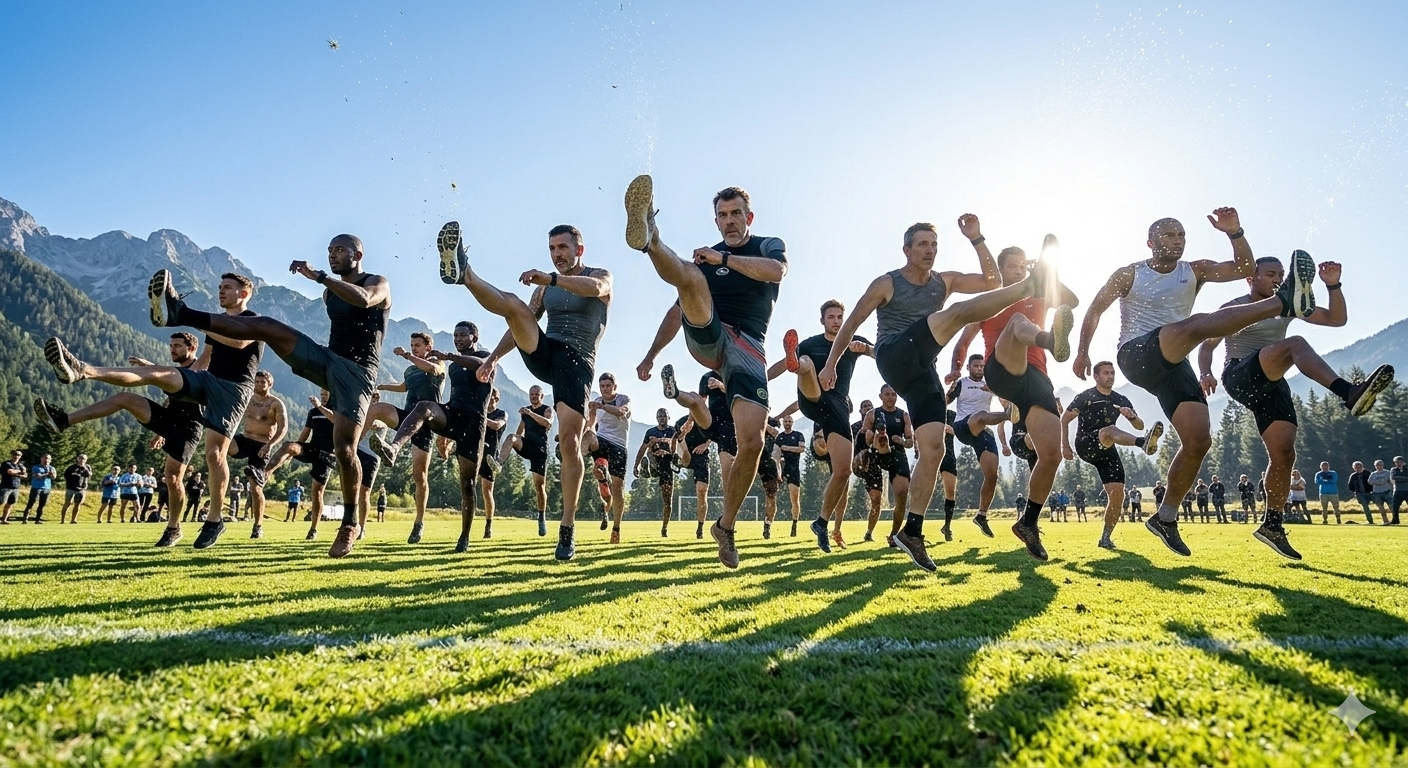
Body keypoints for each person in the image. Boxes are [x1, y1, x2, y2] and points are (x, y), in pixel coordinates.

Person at [1074, 208, 1317, 557]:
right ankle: (1283, 302)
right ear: (1151, 242)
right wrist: (1083, 352)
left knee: (1199, 439)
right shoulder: (1129, 274)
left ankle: (1166, 517)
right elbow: (1095, 309)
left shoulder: (1195, 270)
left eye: (1181, 235)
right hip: (1137, 353)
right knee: (1194, 326)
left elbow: (1244, 270)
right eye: (1169, 235)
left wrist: (1235, 232)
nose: (1177, 240)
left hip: (1175, 362)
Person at [824, 217, 1062, 571]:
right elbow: (853, 321)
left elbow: (991, 282)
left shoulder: (944, 281)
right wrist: (831, 365)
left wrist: (977, 239)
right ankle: (1031, 285)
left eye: (933, 245)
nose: (929, 250)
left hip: (922, 374)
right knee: (958, 313)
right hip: (894, 355)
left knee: (933, 448)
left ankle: (913, 532)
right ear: (906, 250)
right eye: (921, 245)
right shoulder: (887, 283)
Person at [151, 236, 390, 558]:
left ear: (358, 254)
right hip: (327, 360)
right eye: (329, 250)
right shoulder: (329, 293)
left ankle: (349, 524)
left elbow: (363, 300)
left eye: (339, 250)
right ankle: (180, 313)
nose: (333, 255)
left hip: (358, 374)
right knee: (265, 325)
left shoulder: (377, 283)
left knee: (345, 446)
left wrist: (319, 276)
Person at [626, 178, 786, 570]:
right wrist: (651, 354)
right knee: (691, 280)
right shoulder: (706, 259)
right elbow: (678, 307)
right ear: (715, 221)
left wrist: (726, 261)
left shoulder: (766, 246)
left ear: (749, 217)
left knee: (752, 442)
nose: (729, 221)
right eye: (722, 216)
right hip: (710, 337)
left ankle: (725, 527)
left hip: (749, 347)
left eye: (735, 214)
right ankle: (650, 238)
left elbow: (776, 272)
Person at [49, 272, 264, 547]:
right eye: (220, 287)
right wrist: (179, 382)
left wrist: (189, 318)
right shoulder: (215, 324)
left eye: (227, 288)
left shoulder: (252, 321)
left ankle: (215, 519)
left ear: (243, 294)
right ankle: (83, 370)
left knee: (214, 453)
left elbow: (238, 342)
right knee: (156, 373)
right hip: (207, 381)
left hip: (233, 389)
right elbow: (204, 361)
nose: (221, 291)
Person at [440, 221, 610, 561]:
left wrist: (552, 278)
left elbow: (594, 288)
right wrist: (490, 358)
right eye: (552, 249)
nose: (557, 255)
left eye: (563, 248)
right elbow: (521, 324)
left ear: (580, 249)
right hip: (545, 351)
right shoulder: (545, 288)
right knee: (516, 306)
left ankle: (567, 528)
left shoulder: (598, 275)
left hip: (576, 364)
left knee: (569, 442)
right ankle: (465, 273)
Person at [1199, 257, 1389, 557]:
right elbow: (1207, 344)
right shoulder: (1233, 307)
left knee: (1285, 454)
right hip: (1239, 374)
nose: (1277, 279)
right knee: (1295, 344)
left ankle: (1272, 525)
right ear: (1252, 278)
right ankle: (1347, 392)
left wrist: (1333, 285)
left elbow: (1337, 319)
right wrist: (1205, 372)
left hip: (1272, 384)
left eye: (1281, 275)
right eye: (1269, 274)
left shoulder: (1289, 304)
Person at [948, 233, 1080, 560]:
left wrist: (1047, 274)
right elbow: (964, 342)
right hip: (1000, 369)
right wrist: (955, 368)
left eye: (1023, 266)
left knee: (1050, 455)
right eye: (1012, 267)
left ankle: (1028, 523)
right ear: (1001, 270)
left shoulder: (1037, 294)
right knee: (1018, 323)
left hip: (1036, 380)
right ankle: (1051, 341)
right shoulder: (991, 300)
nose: (1019, 271)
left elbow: (1071, 301)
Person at [35, 333, 206, 543]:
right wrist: (159, 431)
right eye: (171, 345)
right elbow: (170, 398)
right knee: (124, 398)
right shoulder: (173, 371)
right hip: (169, 418)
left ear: (191, 348)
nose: (172, 349)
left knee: (172, 478)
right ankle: (63, 421)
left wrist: (151, 368)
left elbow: (190, 379)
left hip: (189, 427)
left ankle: (174, 528)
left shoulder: (202, 366)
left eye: (177, 346)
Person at [374, 321, 494, 553]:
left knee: (467, 486)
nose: (458, 338)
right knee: (424, 406)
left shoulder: (485, 357)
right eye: (455, 335)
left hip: (473, 425)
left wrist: (448, 356)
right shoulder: (454, 365)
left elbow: (480, 366)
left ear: (474, 337)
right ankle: (394, 448)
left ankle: (464, 537)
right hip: (452, 414)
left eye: (462, 335)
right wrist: (444, 432)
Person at [769, 300, 874, 548]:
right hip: (812, 397)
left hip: (837, 408)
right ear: (822, 321)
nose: (836, 321)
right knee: (803, 362)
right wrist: (760, 380)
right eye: (831, 317)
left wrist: (867, 349)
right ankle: (800, 363)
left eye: (840, 317)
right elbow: (782, 366)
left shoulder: (851, 340)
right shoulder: (811, 343)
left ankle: (821, 523)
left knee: (843, 471)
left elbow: (880, 351)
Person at [1061, 361, 1161, 549]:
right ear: (1096, 376)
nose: (1111, 376)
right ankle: (1142, 442)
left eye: (1112, 373)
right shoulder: (1085, 397)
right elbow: (1064, 420)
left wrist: (1131, 416)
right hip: (1086, 443)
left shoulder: (1120, 399)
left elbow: (1139, 425)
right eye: (1106, 373)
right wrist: (1064, 445)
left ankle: (1105, 538)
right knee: (1110, 430)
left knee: (1117, 495)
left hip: (1107, 450)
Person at [364, 334, 445, 544]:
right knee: (376, 408)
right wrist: (382, 386)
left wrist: (407, 355)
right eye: (412, 345)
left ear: (429, 347)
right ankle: (352, 443)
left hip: (426, 423)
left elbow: (431, 370)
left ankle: (419, 523)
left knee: (420, 476)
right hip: (406, 417)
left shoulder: (437, 363)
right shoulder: (410, 369)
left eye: (418, 345)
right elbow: (403, 387)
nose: (414, 348)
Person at [946, 354, 1011, 538]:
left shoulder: (990, 384)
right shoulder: (962, 383)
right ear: (968, 367)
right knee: (981, 415)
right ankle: (1012, 416)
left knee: (992, 475)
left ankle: (981, 516)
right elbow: (945, 401)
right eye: (976, 366)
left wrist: (997, 391)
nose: (980, 369)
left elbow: (1005, 404)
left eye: (982, 366)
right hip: (963, 426)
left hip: (982, 431)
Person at [265, 391, 337, 538]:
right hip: (312, 448)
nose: (323, 397)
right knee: (288, 445)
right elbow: (305, 433)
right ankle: (265, 472)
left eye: (326, 395)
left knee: (317, 493)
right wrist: (294, 452)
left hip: (327, 455)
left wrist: (320, 406)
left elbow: (336, 420)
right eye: (321, 394)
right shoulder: (313, 412)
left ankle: (313, 529)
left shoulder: (338, 412)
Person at [229, 370, 287, 539]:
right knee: (222, 441)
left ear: (270, 384)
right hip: (245, 439)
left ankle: (257, 525)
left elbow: (283, 429)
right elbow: (234, 415)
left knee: (255, 488)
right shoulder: (248, 398)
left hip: (262, 445)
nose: (259, 385)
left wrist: (270, 445)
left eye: (263, 382)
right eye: (257, 381)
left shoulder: (276, 404)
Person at [863, 385, 914, 548]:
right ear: (881, 396)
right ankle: (869, 531)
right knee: (876, 499)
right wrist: (873, 439)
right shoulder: (872, 414)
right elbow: (864, 436)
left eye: (893, 394)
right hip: (876, 455)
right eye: (887, 395)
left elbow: (910, 442)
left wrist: (902, 441)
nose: (891, 397)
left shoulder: (904, 415)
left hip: (896, 454)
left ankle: (894, 535)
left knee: (902, 494)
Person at [583, 372, 631, 543]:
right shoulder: (597, 403)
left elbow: (620, 412)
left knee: (617, 489)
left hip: (619, 446)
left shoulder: (623, 399)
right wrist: (579, 435)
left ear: (614, 386)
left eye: (608, 386)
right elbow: (591, 424)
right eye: (602, 386)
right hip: (602, 441)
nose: (605, 389)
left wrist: (602, 406)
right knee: (589, 434)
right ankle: (574, 459)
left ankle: (616, 529)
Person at [499, 385, 554, 537]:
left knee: (539, 486)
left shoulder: (547, 409)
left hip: (540, 451)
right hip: (527, 446)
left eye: (537, 394)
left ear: (542, 397)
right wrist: (515, 445)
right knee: (511, 437)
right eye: (532, 394)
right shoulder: (525, 412)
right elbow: (519, 431)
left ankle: (541, 517)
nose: (534, 396)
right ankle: (499, 464)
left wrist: (530, 413)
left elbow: (548, 423)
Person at [634, 408, 677, 537]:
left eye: (664, 416)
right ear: (656, 418)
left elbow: (678, 450)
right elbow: (643, 448)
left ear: (668, 417)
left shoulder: (673, 431)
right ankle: (650, 469)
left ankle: (664, 528)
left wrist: (667, 452)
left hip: (667, 465)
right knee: (651, 443)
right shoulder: (651, 432)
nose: (662, 418)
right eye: (659, 416)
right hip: (654, 459)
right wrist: (636, 465)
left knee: (667, 500)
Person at [675, 415, 712, 538]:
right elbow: (684, 451)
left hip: (701, 457)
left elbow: (714, 435)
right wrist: (683, 435)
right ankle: (675, 462)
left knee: (702, 491)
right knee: (683, 458)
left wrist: (705, 445)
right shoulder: (681, 423)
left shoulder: (707, 419)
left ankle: (700, 527)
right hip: (684, 451)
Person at [478, 389, 507, 539]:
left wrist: (481, 418)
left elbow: (497, 425)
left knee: (487, 491)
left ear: (496, 398)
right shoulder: (480, 410)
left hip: (491, 454)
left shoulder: (501, 413)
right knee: (468, 486)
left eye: (492, 397)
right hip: (476, 451)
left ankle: (489, 525)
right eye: (487, 396)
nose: (489, 399)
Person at [19, 453, 56, 524]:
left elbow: (54, 477)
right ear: (41, 459)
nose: (46, 460)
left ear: (50, 460)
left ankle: (37, 519)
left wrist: (51, 474)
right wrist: (47, 474)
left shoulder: (52, 468)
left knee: (42, 505)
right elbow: (37, 476)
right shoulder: (36, 467)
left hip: (46, 488)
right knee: (31, 503)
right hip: (36, 487)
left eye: (48, 458)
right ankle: (25, 519)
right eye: (45, 458)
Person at [57, 454, 93, 524]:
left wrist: (84, 468)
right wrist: (70, 482)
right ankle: (62, 520)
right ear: (77, 459)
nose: (82, 460)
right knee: (67, 503)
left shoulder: (87, 467)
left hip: (81, 489)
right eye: (81, 458)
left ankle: (73, 519)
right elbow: (66, 475)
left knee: (77, 504)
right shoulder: (71, 467)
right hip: (71, 488)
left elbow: (89, 475)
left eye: (84, 459)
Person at [0, 450, 25, 524]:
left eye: (19, 455)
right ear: (12, 455)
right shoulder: (6, 463)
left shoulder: (20, 465)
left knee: (10, 503)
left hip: (16, 487)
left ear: (20, 456)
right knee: (1, 502)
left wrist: (17, 472)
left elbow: (25, 475)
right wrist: (20, 472)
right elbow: (10, 472)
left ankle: (4, 519)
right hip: (5, 486)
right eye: (15, 454)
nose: (16, 456)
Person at [1388, 457, 1408, 526]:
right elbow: (1394, 477)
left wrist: (1399, 478)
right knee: (1395, 506)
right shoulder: (1393, 470)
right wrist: (1405, 478)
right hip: (1398, 491)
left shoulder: (1407, 469)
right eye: (1396, 462)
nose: (1398, 464)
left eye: (1399, 462)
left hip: (1407, 490)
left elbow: (1397, 478)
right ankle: (1395, 520)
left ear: (1402, 462)